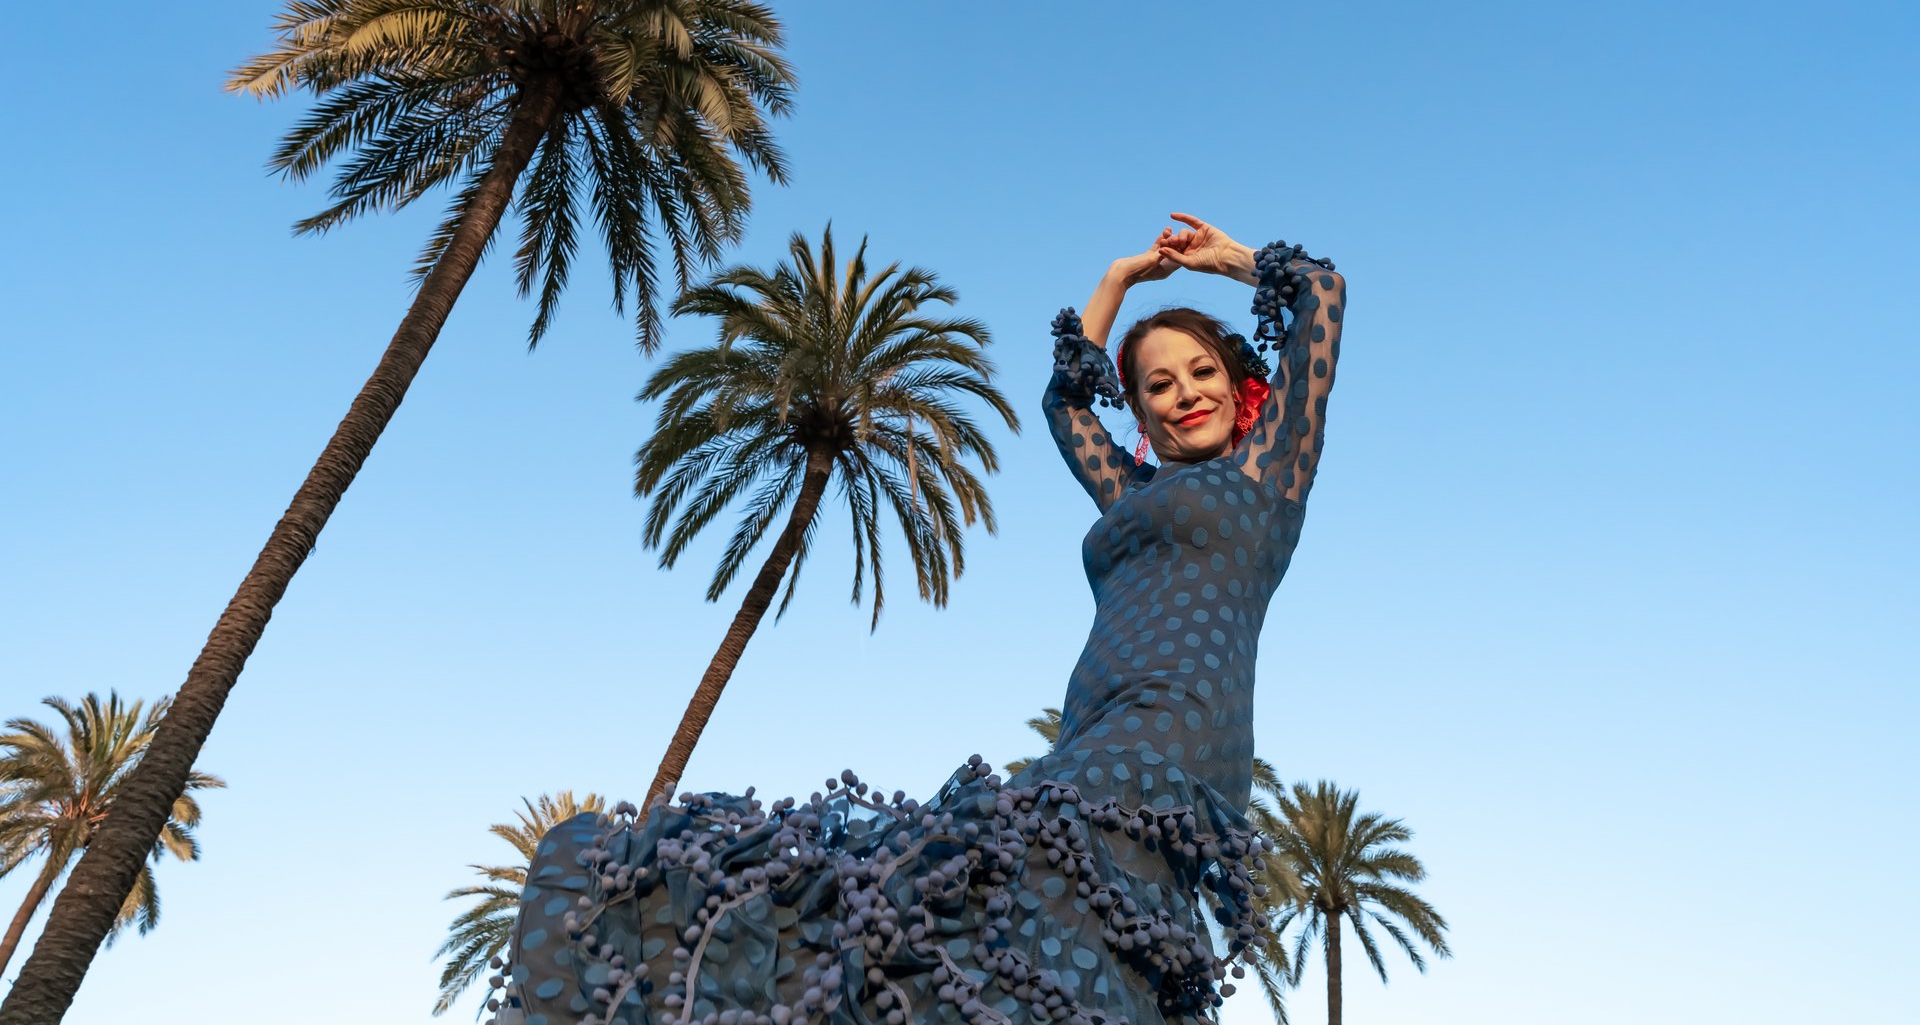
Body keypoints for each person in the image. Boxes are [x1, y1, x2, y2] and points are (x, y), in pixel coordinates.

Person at [493, 214, 1346, 1025]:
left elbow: (1320, 290)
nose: (1184, 394)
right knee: (985, 934)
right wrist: (1117, 281)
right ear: (1143, 410)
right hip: (1087, 739)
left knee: (1035, 932)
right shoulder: (1132, 491)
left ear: (1242, 390)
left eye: (1202, 373)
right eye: (1158, 384)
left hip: (1167, 748)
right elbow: (1063, 406)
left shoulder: (1268, 478)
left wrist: (1222, 259)